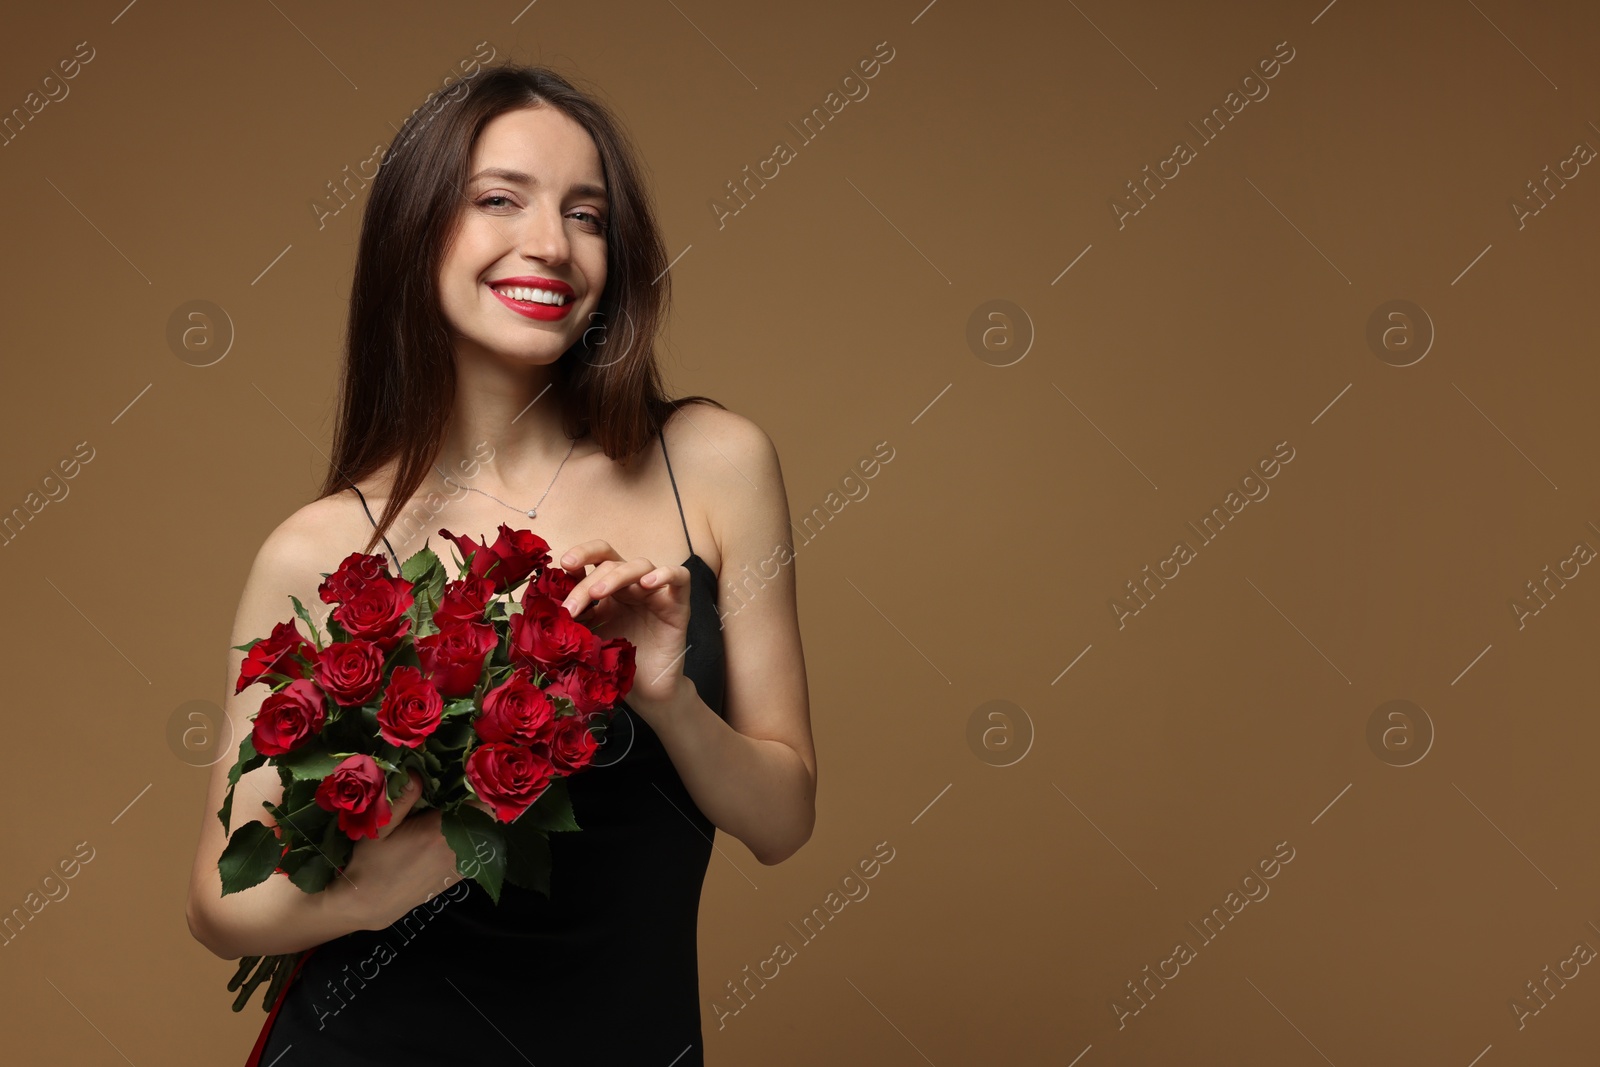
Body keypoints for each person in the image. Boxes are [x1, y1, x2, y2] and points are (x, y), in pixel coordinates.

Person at [184, 63, 816, 1066]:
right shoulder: (317, 548)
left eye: (587, 214)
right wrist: (410, 861)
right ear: (416, 231)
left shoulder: (713, 463)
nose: (551, 245)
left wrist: (667, 699)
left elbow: (782, 818)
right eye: (499, 201)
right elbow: (224, 900)